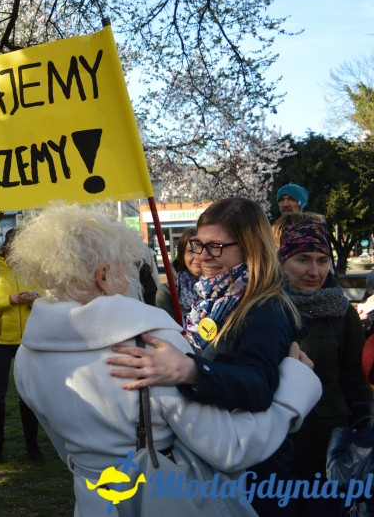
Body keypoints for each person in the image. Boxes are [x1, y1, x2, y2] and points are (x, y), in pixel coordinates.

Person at [9, 202, 322, 516]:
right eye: (126, 268)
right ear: (104, 276)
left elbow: (66, 448)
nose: (130, 279)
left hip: (92, 501)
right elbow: (230, 449)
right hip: (161, 499)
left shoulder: (26, 355)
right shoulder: (148, 340)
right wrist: (294, 387)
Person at [105, 197, 304, 516]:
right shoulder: (211, 297)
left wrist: (191, 371)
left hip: (254, 470)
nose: (202, 256)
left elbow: (259, 384)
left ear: (250, 247)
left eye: (216, 247)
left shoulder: (266, 307)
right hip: (212, 460)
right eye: (199, 244)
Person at [276, 218, 371, 516]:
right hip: (276, 444)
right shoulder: (265, 309)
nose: (314, 271)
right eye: (303, 259)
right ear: (282, 261)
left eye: (321, 260)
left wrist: (364, 434)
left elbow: (353, 378)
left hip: (331, 448)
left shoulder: (342, 312)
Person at [0, 227, 44, 463]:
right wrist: (9, 300)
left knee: (28, 395)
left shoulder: (33, 270)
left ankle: (32, 448)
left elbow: (45, 303)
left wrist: (35, 300)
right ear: (9, 247)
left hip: (27, 342)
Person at [154, 227, 202, 322]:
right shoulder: (167, 291)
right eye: (191, 251)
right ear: (182, 255)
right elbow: (167, 331)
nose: (197, 257)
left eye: (200, 250)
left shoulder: (222, 285)